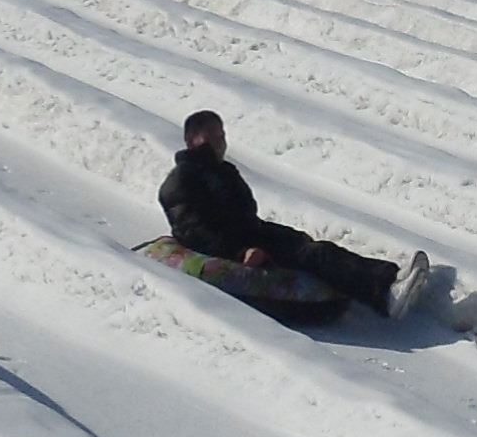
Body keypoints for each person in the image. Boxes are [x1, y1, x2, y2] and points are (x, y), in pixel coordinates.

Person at [160, 112, 429, 318]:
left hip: (252, 235)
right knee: (315, 256)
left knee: (313, 248)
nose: (219, 144)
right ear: (191, 141)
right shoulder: (181, 181)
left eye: (222, 136)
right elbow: (195, 232)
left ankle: (389, 277)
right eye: (211, 138)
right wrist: (240, 251)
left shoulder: (224, 172)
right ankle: (384, 297)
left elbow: (246, 215)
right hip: (233, 248)